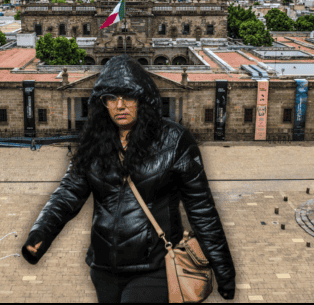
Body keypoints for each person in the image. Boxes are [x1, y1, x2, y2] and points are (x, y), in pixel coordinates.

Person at [22, 56, 236, 303]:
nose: (119, 106)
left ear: (143, 99)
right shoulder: (95, 142)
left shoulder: (175, 141)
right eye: (111, 98)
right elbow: (69, 193)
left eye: (128, 96)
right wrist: (41, 232)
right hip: (104, 269)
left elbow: (202, 210)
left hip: (154, 267)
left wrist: (224, 271)